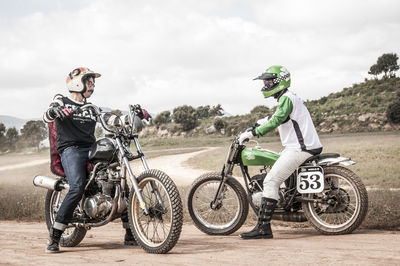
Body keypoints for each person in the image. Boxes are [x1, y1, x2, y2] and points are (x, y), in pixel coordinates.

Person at [43, 67, 136, 253]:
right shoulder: (61, 100)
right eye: (89, 82)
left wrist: (127, 118)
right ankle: (54, 237)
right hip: (71, 149)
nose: (92, 86)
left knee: (120, 180)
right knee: (77, 187)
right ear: (77, 82)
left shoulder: (92, 107)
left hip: (91, 149)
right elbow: (48, 114)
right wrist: (56, 111)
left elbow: (107, 118)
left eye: (93, 83)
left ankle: (131, 233)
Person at [238, 65, 322, 240]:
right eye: (265, 81)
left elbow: (276, 119)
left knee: (271, 181)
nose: (266, 85)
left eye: (269, 81)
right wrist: (256, 124)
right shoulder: (288, 98)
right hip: (305, 146)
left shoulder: (286, 99)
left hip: (300, 148)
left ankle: (263, 228)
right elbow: (275, 117)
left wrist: (253, 133)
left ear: (279, 81)